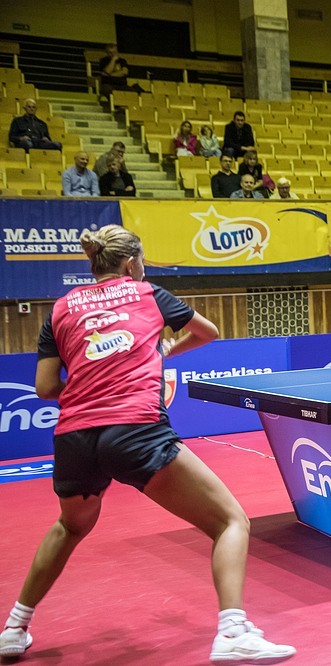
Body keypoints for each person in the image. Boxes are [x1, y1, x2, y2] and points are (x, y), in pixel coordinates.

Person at [0, 225, 295, 664]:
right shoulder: (147, 293)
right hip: (136, 430)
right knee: (230, 521)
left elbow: (45, 387)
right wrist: (166, 350)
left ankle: (13, 628)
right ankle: (233, 631)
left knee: (70, 527)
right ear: (131, 263)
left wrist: (91, 389)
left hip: (75, 437)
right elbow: (208, 332)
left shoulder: (61, 308)